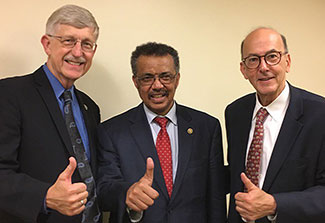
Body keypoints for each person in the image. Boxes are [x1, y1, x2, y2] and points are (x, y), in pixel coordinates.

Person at [96, 42, 227, 223]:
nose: (157, 86)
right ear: (135, 82)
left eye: (165, 76)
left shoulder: (207, 127)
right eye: (147, 78)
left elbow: (216, 197)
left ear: (177, 79)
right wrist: (128, 193)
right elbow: (103, 189)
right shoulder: (111, 131)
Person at [0, 5, 102, 223]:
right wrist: (44, 196)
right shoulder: (9, 95)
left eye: (86, 44)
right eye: (68, 41)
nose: (78, 52)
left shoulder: (90, 108)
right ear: (47, 44)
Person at [226, 27, 325, 223]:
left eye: (272, 56)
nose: (263, 67)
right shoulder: (235, 112)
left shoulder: (320, 115)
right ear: (243, 70)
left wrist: (274, 204)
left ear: (287, 62)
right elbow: (236, 172)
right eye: (253, 59)